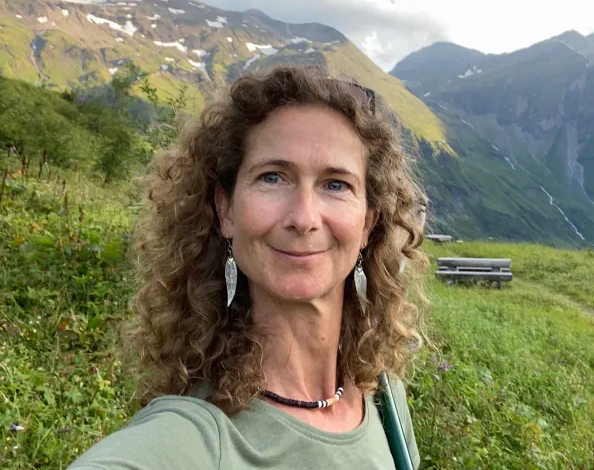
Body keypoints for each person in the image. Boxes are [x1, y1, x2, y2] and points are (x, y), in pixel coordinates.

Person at [68, 65, 427, 469]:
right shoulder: (196, 437)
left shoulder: (382, 399)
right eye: (273, 177)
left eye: (336, 184)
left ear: (367, 224)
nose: (304, 217)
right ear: (226, 211)